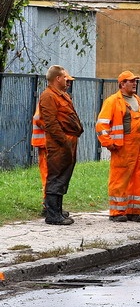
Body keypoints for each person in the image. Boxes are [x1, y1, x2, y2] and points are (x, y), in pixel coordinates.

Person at [96, 70, 140, 222]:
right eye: (131, 81)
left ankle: (134, 210)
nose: (134, 83)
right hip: (122, 148)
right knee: (119, 179)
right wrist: (108, 142)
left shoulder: (137, 100)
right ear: (122, 84)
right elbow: (101, 125)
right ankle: (117, 212)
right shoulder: (113, 101)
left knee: (138, 178)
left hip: (138, 148)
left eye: (135, 81)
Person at [38, 65, 83, 225]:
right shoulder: (48, 96)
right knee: (56, 177)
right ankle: (52, 215)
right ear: (57, 78)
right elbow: (50, 123)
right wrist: (64, 142)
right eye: (65, 77)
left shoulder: (62, 95)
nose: (67, 80)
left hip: (68, 143)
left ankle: (58, 210)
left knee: (63, 177)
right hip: (58, 144)